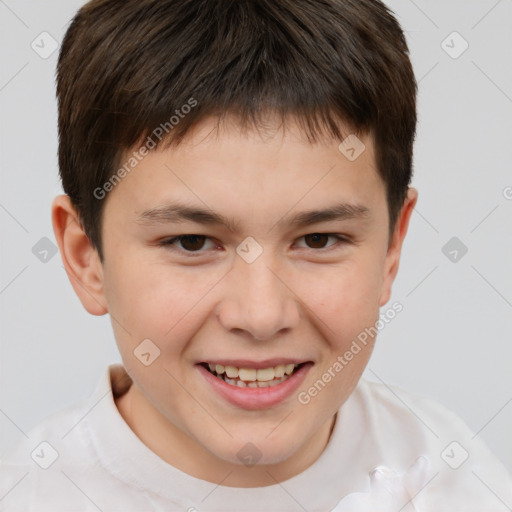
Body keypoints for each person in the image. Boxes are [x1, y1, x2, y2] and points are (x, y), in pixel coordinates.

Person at [1, 0, 510, 510]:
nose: (261, 316)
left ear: (391, 249)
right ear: (87, 256)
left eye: (318, 240)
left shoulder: (456, 476)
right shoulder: (32, 495)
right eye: (192, 243)